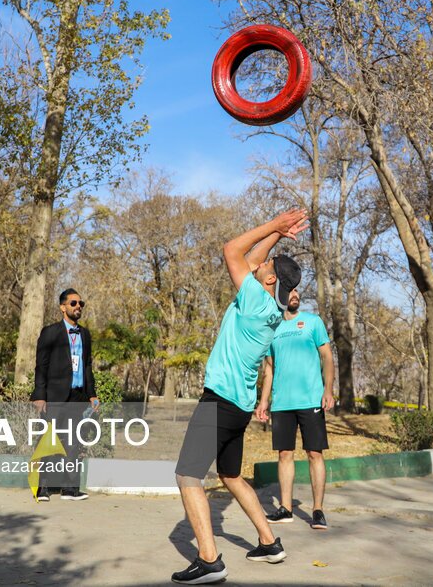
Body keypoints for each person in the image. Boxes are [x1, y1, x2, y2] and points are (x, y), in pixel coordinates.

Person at [171, 209, 307, 585]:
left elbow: (232, 250)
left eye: (267, 266)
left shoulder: (253, 301)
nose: (260, 263)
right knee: (230, 474)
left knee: (187, 475)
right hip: (240, 406)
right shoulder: (270, 305)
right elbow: (249, 260)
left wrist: (275, 225)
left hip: (219, 401)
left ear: (268, 280)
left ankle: (209, 559)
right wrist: (277, 234)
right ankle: (269, 542)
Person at [256, 290, 335, 530]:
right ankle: (286, 508)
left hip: (311, 399)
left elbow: (327, 358)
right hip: (282, 403)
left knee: (315, 454)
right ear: (280, 298)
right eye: (290, 292)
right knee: (284, 455)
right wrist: (263, 401)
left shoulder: (313, 322)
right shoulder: (273, 328)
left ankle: (318, 510)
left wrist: (328, 389)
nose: (295, 295)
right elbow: (269, 369)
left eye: (297, 291)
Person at [31, 288, 99, 503]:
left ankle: (70, 489)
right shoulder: (50, 332)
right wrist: (40, 395)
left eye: (81, 303)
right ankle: (42, 488)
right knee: (48, 441)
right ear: (62, 307)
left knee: (72, 443)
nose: (78, 306)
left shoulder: (85, 334)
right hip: (55, 397)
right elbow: (41, 366)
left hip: (77, 397)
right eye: (73, 303)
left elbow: (87, 366)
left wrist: (92, 394)